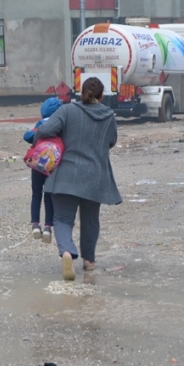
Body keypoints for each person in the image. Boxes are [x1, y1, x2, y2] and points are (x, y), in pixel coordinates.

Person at [34, 78, 122, 281]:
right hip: (95, 177)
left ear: (80, 92)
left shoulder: (67, 111)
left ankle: (66, 252)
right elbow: (111, 141)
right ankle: (89, 261)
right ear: (101, 96)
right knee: (90, 220)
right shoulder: (108, 116)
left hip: (65, 175)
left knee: (63, 219)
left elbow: (45, 131)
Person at [24, 97, 63, 243]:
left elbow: (27, 136)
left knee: (36, 194)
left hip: (37, 165)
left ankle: (35, 224)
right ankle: (47, 227)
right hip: (52, 167)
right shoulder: (60, 124)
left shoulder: (40, 124)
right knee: (49, 196)